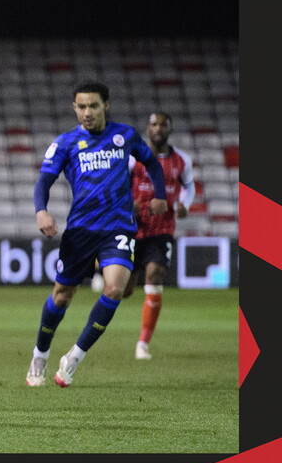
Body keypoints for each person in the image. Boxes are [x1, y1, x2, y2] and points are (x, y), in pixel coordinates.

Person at [25, 81, 168, 388]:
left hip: (118, 227)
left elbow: (153, 163)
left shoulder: (125, 135)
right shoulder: (65, 143)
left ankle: (75, 356)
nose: (86, 112)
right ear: (74, 108)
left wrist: (160, 194)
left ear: (106, 105)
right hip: (80, 231)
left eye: (92, 106)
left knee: (115, 289)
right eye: (81, 106)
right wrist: (41, 210)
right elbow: (43, 183)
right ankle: (40, 353)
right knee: (62, 296)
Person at [122, 112, 195, 360]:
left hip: (161, 230)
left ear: (170, 129)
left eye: (163, 124)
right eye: (154, 124)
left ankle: (143, 342)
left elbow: (189, 187)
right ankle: (101, 265)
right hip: (132, 228)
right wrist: (126, 204)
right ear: (147, 128)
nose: (158, 128)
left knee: (155, 274)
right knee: (124, 291)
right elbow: (119, 185)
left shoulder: (181, 160)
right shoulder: (134, 158)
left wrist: (184, 204)